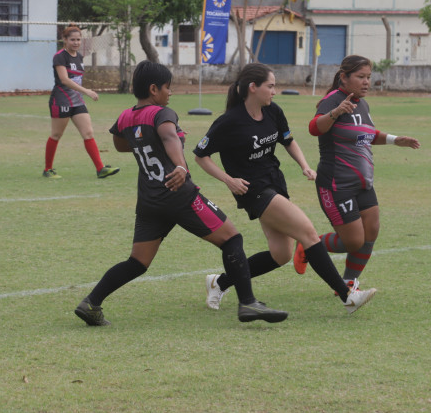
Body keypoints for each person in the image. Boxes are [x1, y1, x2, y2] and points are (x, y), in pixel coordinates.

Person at [74, 61, 288, 326]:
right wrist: (180, 165)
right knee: (232, 239)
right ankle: (248, 303)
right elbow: (169, 137)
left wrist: (145, 142)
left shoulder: (126, 117)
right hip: (178, 194)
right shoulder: (162, 113)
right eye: (168, 87)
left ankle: (91, 302)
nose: (170, 92)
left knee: (138, 262)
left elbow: (120, 144)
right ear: (154, 89)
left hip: (149, 200)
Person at [193, 63, 378, 314]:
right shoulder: (229, 121)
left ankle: (220, 282)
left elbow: (288, 140)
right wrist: (228, 180)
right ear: (253, 87)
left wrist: (304, 166)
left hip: (275, 183)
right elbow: (201, 156)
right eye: (270, 86)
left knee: (281, 255)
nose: (274, 91)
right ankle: (348, 297)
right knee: (308, 233)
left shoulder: (273, 111)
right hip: (253, 190)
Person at [294, 55, 420, 291]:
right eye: (361, 77)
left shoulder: (362, 104)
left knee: (371, 232)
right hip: (336, 183)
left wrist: (395, 140)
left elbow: (366, 135)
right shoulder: (333, 100)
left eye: (369, 77)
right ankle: (308, 245)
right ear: (344, 77)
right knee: (353, 241)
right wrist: (335, 112)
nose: (366, 82)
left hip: (363, 182)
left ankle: (348, 283)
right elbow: (314, 128)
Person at [43, 24, 120, 179]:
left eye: (78, 40)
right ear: (65, 39)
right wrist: (87, 91)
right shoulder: (60, 57)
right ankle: (48, 169)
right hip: (61, 100)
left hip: (77, 101)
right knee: (56, 135)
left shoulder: (79, 56)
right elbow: (64, 80)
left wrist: (82, 93)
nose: (76, 42)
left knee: (88, 133)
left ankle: (100, 169)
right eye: (72, 40)